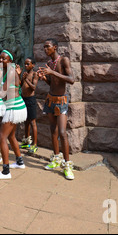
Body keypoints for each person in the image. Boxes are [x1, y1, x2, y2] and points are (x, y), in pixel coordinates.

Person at [37, 38, 75, 180]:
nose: (45, 49)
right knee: (52, 131)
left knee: (62, 132)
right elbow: (52, 83)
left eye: (48, 47)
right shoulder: (48, 64)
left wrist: (52, 73)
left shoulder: (63, 60)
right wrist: (44, 78)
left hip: (61, 101)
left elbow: (71, 79)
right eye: (44, 47)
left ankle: (67, 165)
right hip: (50, 99)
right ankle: (56, 159)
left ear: (55, 47)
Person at [0, 50, 27, 180]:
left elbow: (1, 94)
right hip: (14, 106)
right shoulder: (9, 71)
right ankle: (19, 162)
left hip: (14, 108)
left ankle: (6, 171)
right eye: (0, 59)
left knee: (2, 137)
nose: (0, 61)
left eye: (3, 59)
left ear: (10, 61)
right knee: (11, 136)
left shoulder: (11, 71)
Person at [18, 57, 39, 154]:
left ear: (33, 65)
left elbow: (33, 87)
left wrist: (26, 79)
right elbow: (21, 85)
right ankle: (26, 141)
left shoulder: (35, 74)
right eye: (25, 64)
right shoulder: (25, 74)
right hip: (24, 99)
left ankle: (35, 144)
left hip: (31, 100)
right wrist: (20, 77)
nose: (26, 66)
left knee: (32, 122)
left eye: (28, 64)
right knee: (26, 121)